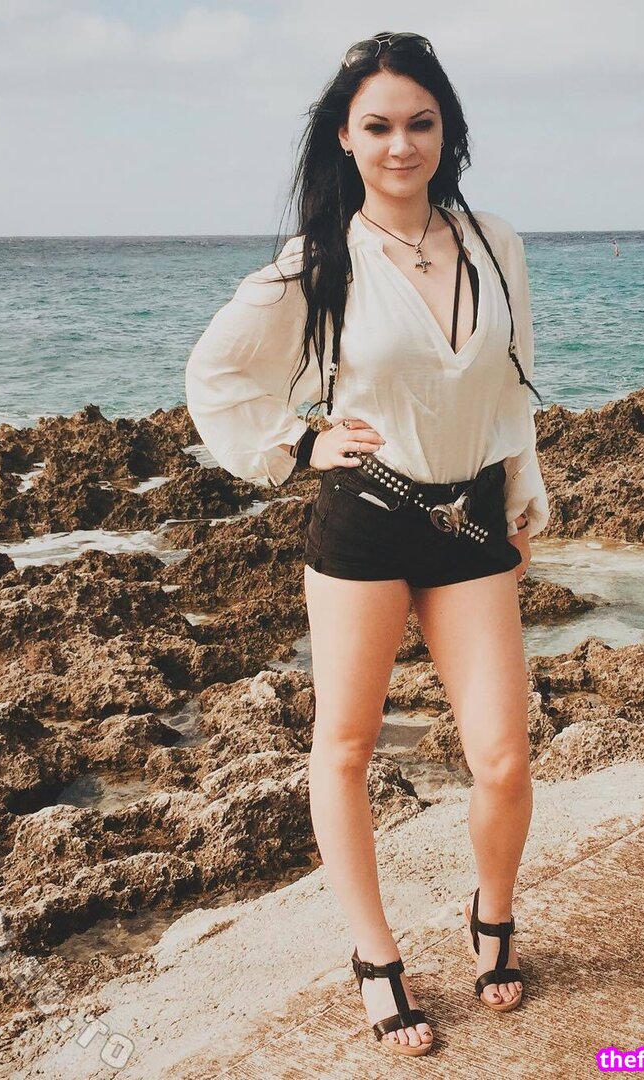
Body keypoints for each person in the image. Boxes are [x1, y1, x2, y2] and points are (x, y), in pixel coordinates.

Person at [185, 30, 550, 1059]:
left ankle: (491, 915)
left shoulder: (496, 243)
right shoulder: (321, 260)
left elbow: (514, 379)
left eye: (420, 123)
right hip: (365, 520)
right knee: (345, 749)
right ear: (345, 138)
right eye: (378, 126)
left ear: (447, 130)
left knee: (504, 759)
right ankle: (375, 956)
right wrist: (301, 441)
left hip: (472, 518)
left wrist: (524, 488)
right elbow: (216, 373)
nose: (401, 145)